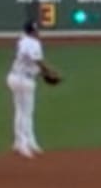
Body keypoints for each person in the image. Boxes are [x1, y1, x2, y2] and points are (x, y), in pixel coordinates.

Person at [5, 16, 61, 159]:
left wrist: (44, 72)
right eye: (36, 30)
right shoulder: (34, 43)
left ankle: (24, 141)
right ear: (33, 31)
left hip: (14, 77)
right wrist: (50, 71)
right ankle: (24, 144)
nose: (38, 32)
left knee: (20, 111)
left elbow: (28, 60)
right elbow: (37, 60)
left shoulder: (22, 41)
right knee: (26, 113)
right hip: (24, 80)